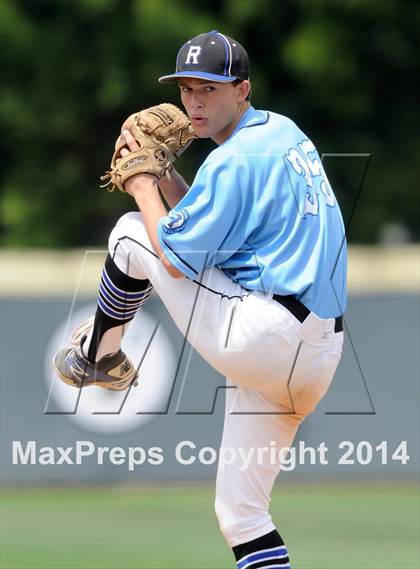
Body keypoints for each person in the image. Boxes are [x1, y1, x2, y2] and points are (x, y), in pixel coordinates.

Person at [54, 30, 346, 569]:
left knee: (128, 232)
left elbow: (171, 257)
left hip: (267, 334)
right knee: (242, 516)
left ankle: (101, 356)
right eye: (187, 89)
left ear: (242, 89)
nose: (193, 102)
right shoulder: (283, 135)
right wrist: (165, 176)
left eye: (208, 89)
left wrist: (141, 182)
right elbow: (208, 235)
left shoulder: (233, 161)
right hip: (314, 353)